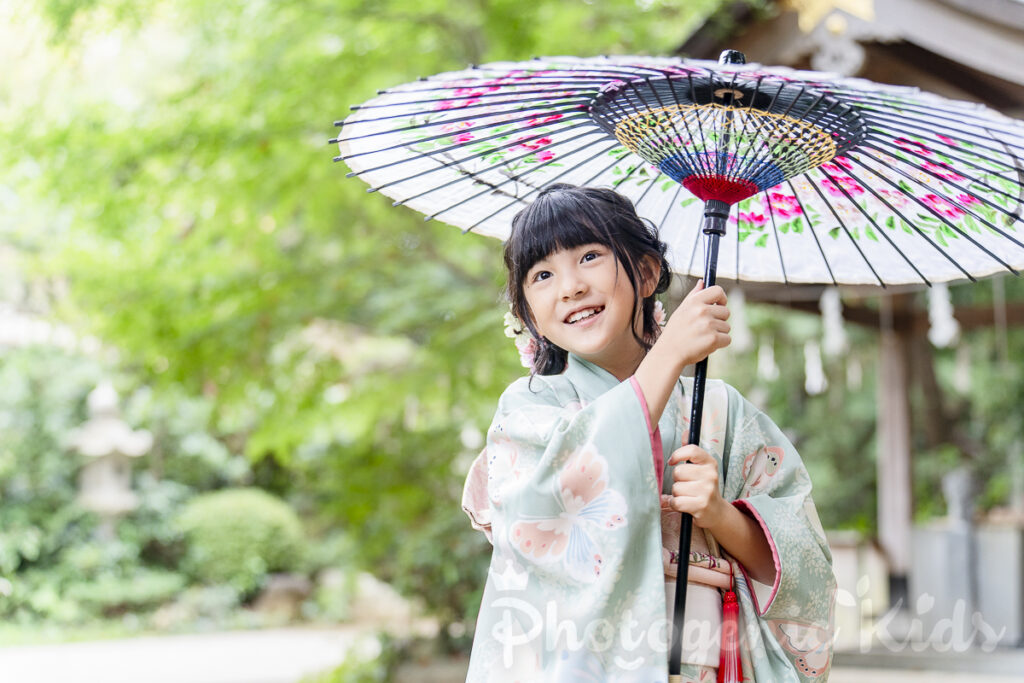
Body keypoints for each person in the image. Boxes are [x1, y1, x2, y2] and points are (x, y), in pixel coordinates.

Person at [461, 184, 835, 682]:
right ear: (529, 315)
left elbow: (804, 565)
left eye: (590, 256)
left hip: (713, 661)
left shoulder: (722, 412)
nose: (569, 286)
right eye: (543, 274)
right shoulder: (530, 409)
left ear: (645, 273)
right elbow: (542, 529)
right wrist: (668, 354)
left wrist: (720, 515)